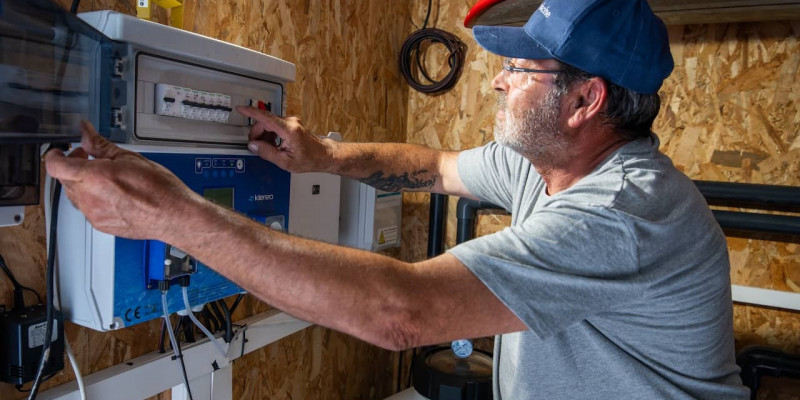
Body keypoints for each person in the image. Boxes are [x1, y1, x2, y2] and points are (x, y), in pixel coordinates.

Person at [45, 0, 749, 398]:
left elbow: (401, 312)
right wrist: (322, 156)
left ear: (585, 100)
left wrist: (173, 216)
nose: (497, 83)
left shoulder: (622, 213)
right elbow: (434, 164)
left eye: (519, 70)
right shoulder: (545, 167)